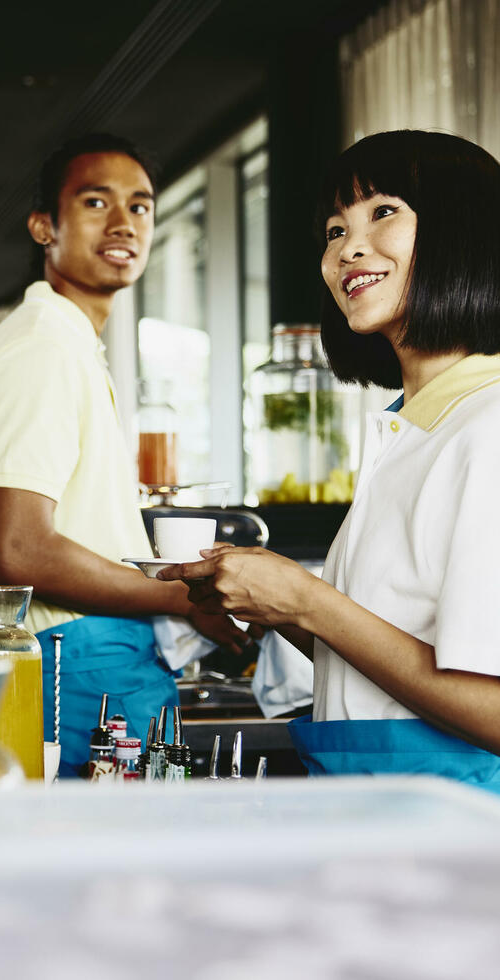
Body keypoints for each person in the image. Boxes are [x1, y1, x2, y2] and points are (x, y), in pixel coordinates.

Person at [160, 130, 500, 791]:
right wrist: (281, 607)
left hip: (461, 832)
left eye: (382, 212)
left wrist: (309, 602)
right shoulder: (415, 428)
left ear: (465, 229)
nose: (347, 248)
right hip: (393, 815)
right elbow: (378, 675)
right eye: (332, 228)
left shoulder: (487, 428)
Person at [0, 133, 249, 777]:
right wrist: (185, 600)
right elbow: (19, 552)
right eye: (96, 202)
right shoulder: (43, 346)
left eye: (141, 206)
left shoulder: (71, 343)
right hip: (78, 659)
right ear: (45, 226)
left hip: (101, 652)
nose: (125, 223)